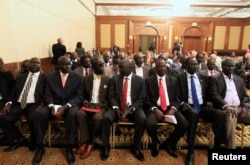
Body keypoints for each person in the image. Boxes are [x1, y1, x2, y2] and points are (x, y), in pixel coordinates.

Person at [32, 56, 84, 165]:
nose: (68, 66)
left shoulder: (78, 77)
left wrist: (65, 107)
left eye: (69, 64)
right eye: (65, 64)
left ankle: (69, 147)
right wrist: (52, 106)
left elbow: (79, 96)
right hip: (54, 105)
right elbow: (47, 94)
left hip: (70, 105)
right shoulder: (50, 77)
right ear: (59, 65)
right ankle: (40, 146)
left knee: (72, 115)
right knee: (39, 114)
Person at [177, 57, 225, 165]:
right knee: (193, 115)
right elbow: (175, 95)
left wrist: (208, 101)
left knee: (220, 114)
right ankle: (190, 150)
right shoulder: (180, 78)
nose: (194, 66)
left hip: (201, 106)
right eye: (191, 64)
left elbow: (208, 93)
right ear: (186, 66)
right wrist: (181, 103)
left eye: (196, 64)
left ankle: (217, 147)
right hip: (187, 107)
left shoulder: (203, 77)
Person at [100, 59, 146, 161]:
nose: (118, 68)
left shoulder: (140, 80)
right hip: (117, 107)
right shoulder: (114, 79)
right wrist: (116, 108)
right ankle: (105, 146)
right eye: (119, 67)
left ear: (130, 68)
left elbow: (141, 98)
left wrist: (132, 108)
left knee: (142, 118)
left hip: (133, 107)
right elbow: (110, 96)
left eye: (121, 67)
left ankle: (136, 147)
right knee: (106, 117)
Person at [0, 57, 45, 152]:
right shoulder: (21, 77)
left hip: (33, 104)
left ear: (40, 65)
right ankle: (18, 138)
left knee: (32, 118)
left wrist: (42, 104)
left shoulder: (44, 78)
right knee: (3, 117)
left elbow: (47, 93)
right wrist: (8, 103)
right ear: (29, 64)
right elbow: (13, 92)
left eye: (37, 63)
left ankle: (34, 139)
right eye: (33, 62)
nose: (35, 64)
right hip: (19, 103)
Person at [145, 59, 188, 157]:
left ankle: (169, 144)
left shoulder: (173, 80)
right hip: (155, 107)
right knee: (149, 123)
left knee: (184, 124)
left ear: (166, 67)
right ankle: (156, 143)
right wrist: (155, 109)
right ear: (155, 68)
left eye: (164, 66)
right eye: (159, 66)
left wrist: (173, 109)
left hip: (170, 107)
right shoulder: (148, 81)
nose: (162, 68)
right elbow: (146, 99)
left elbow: (177, 98)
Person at [209, 58, 250, 149]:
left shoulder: (239, 79)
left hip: (240, 108)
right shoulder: (215, 78)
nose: (231, 68)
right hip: (226, 108)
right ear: (222, 67)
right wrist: (226, 106)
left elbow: (245, 97)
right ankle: (231, 148)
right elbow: (214, 95)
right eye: (228, 66)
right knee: (231, 116)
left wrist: (245, 107)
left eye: (232, 66)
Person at [76, 57, 110, 159]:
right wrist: (84, 101)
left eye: (103, 64)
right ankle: (84, 142)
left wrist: (105, 104)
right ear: (93, 66)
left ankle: (90, 144)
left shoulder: (108, 79)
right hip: (89, 105)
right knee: (79, 113)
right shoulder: (86, 79)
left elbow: (111, 97)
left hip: (101, 106)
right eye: (99, 65)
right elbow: (82, 95)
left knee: (96, 118)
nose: (102, 66)